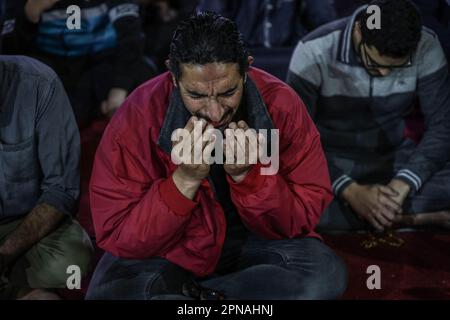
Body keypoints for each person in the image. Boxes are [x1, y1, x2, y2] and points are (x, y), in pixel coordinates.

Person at [86, 12, 347, 300]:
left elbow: (300, 218)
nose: (215, 112)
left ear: (246, 69)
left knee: (324, 275)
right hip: (170, 247)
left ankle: (198, 298)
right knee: (107, 295)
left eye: (228, 92)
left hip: (250, 241)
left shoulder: (281, 104)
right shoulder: (137, 114)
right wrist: (183, 182)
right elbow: (120, 234)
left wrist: (250, 179)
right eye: (196, 95)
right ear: (173, 76)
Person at [286, 0, 450, 232]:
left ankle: (379, 213)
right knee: (284, 198)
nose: (383, 73)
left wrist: (403, 183)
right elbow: (295, 139)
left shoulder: (426, 44)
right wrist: (350, 191)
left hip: (394, 159)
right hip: (328, 161)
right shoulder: (313, 50)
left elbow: (443, 126)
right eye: (374, 63)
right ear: (358, 31)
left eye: (395, 67)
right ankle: (410, 218)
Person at [0, 55, 93, 299]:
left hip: (23, 223)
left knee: (73, 259)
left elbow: (61, 189)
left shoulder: (40, 83)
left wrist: (6, 253)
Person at [3, 0, 156, 125]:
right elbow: (9, 52)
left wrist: (119, 89)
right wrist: (31, 12)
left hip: (101, 61)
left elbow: (131, 37)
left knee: (144, 77)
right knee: (22, 81)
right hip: (48, 64)